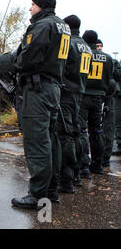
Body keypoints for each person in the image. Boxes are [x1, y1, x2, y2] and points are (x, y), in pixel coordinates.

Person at [11, 0, 69, 209]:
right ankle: (51, 190)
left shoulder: (43, 25)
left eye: (32, 4)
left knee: (37, 142)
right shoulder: (62, 26)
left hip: (38, 88)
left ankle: (37, 194)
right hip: (53, 87)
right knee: (51, 140)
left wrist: (13, 62)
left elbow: (28, 58)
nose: (30, 9)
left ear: (42, 6)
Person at [55, 15, 91, 193]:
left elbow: (59, 66)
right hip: (80, 93)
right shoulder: (86, 47)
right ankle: (78, 172)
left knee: (65, 136)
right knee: (77, 133)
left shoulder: (67, 43)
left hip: (66, 94)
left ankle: (67, 179)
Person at [77, 30, 114, 176]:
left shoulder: (84, 55)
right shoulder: (108, 58)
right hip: (99, 98)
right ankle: (98, 163)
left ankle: (84, 165)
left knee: (82, 131)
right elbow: (111, 80)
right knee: (97, 131)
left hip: (84, 95)